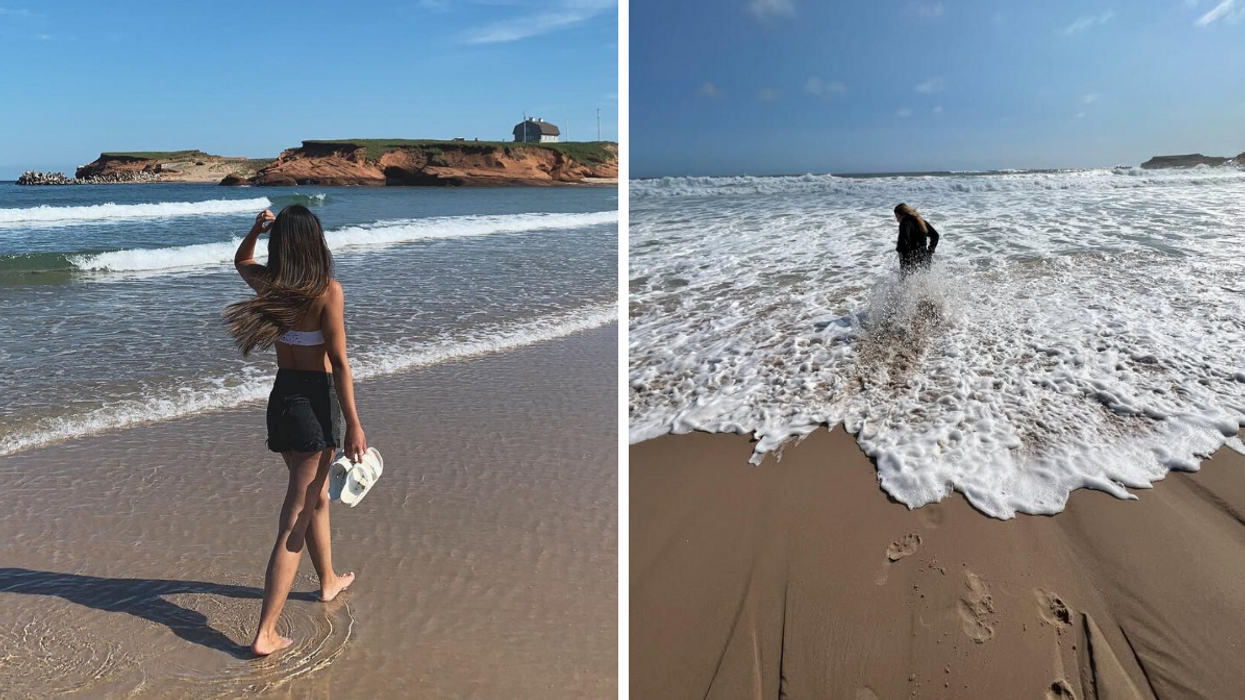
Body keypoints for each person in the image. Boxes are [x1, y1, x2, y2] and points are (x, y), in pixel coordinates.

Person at [225, 204, 368, 657]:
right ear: (316, 242)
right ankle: (266, 632)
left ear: (282, 244)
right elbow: (341, 364)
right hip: (314, 403)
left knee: (316, 496)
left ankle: (326, 581)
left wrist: (254, 228)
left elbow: (241, 262)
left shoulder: (273, 285)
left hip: (282, 398)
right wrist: (356, 426)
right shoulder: (327, 291)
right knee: (296, 513)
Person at [893, 203, 940, 275]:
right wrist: (930, 251)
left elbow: (904, 238)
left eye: (897, 216)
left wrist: (900, 251)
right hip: (924, 257)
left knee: (906, 283)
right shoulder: (921, 221)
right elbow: (935, 236)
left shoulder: (904, 223)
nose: (897, 219)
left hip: (910, 258)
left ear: (902, 214)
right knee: (923, 282)